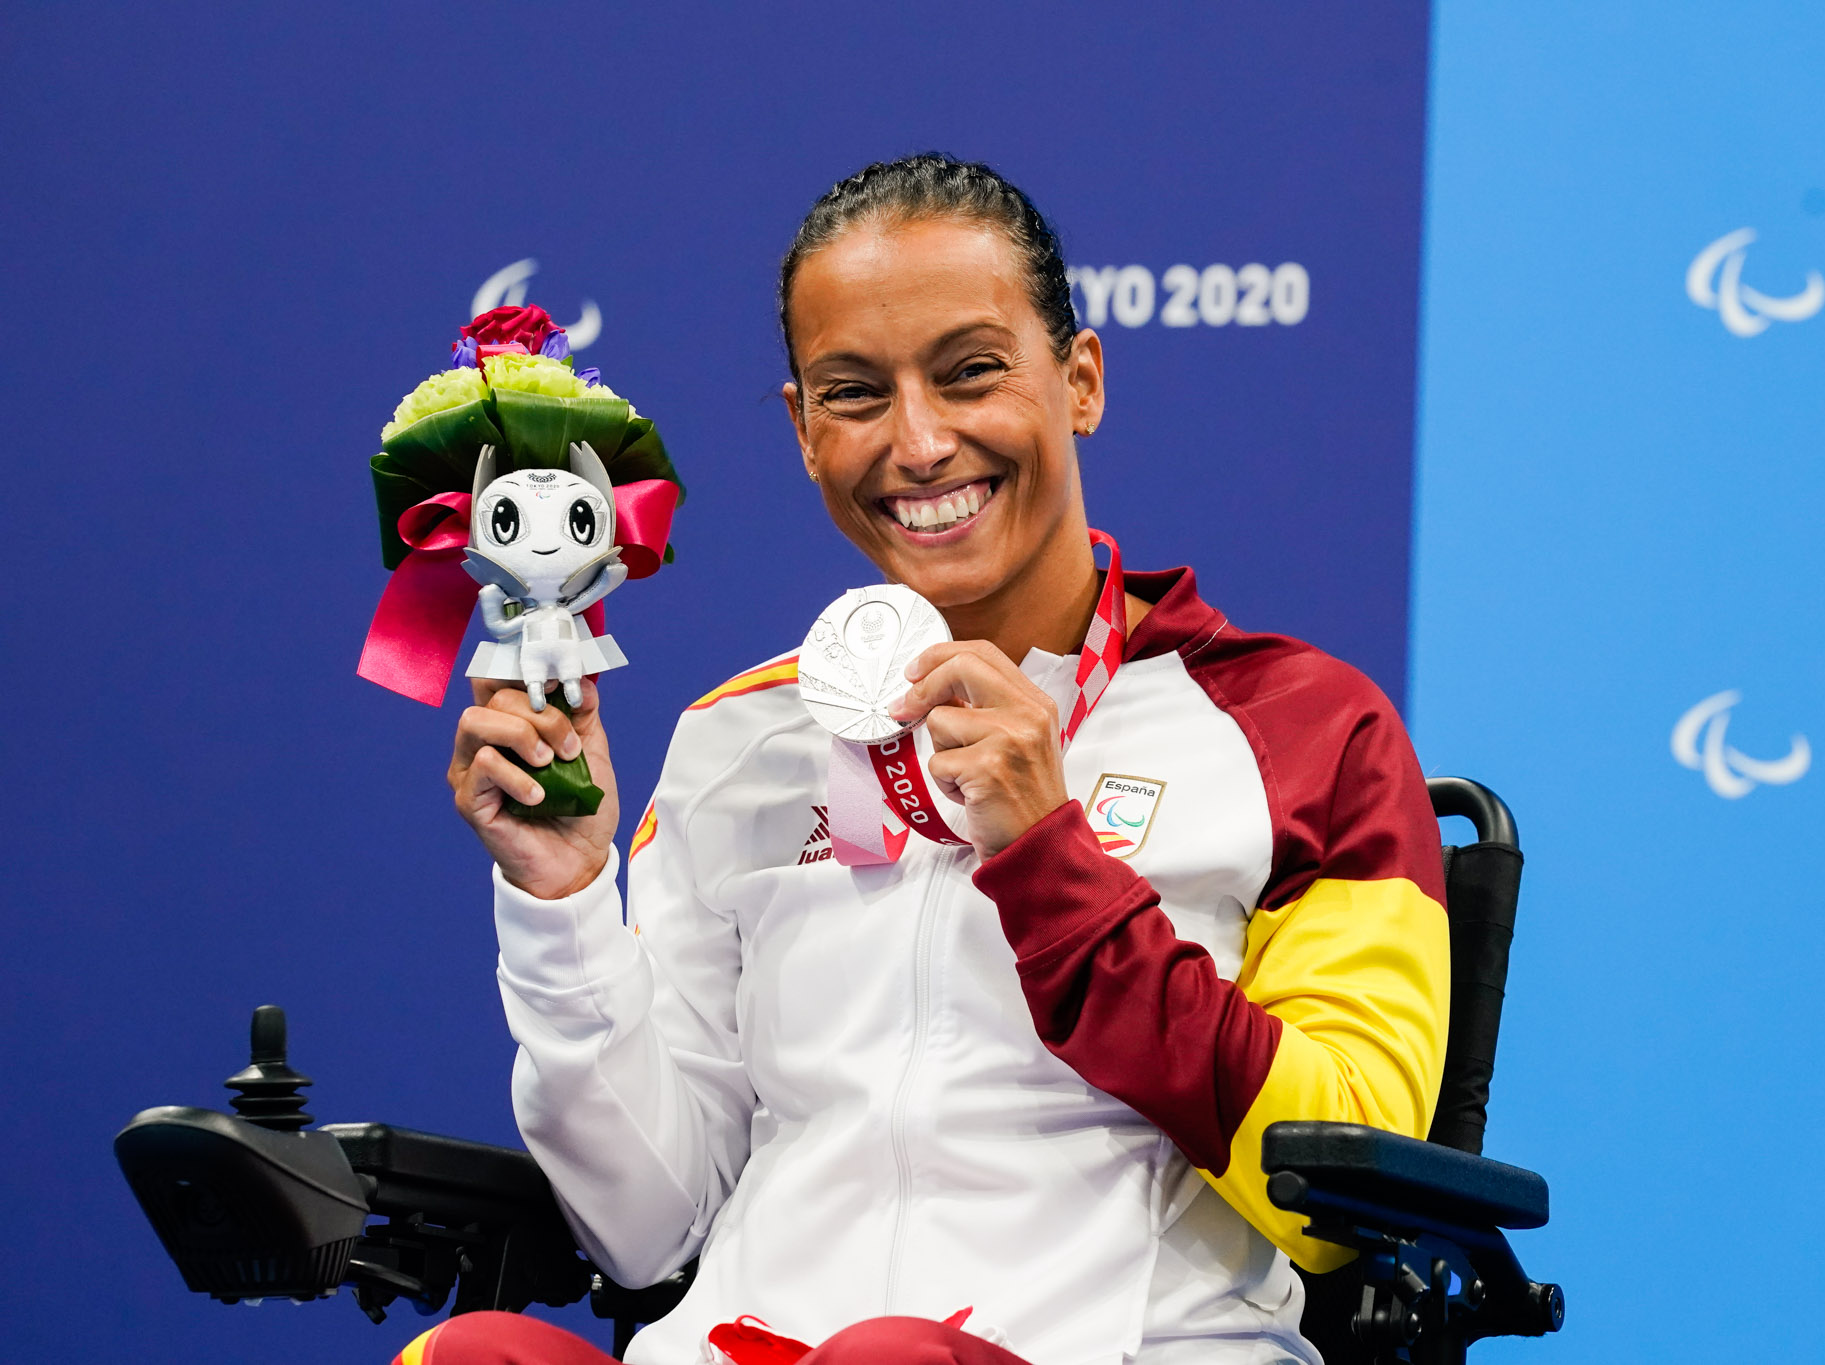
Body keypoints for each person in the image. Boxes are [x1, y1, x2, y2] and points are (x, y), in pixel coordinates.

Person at [414, 155, 1449, 1365]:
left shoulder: (1301, 729)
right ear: (803, 432)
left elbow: (1342, 1179)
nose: (917, 443)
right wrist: (562, 904)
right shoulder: (734, 743)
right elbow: (645, 1231)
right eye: (854, 394)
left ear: (1079, 380)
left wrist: (1054, 863)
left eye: (969, 373)